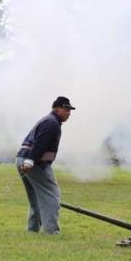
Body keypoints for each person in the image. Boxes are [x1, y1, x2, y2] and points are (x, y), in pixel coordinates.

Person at [16, 96, 75, 234]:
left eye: (69, 110)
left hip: (23, 159)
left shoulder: (49, 121)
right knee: (51, 195)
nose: (69, 113)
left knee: (35, 197)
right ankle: (51, 230)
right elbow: (40, 143)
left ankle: (32, 229)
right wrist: (31, 161)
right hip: (34, 162)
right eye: (66, 109)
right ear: (57, 109)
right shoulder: (52, 123)